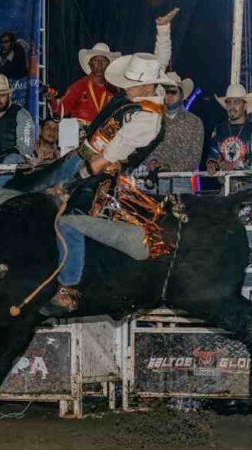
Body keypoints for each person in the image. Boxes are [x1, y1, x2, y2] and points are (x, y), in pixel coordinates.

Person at [44, 52, 174, 315]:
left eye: (133, 84)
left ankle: (69, 288)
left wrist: (68, 185)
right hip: (89, 161)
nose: (126, 88)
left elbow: (104, 161)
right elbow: (159, 57)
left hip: (101, 178)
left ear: (149, 86)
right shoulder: (139, 99)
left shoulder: (148, 119)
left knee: (68, 223)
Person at [46, 8, 177, 124]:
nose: (99, 64)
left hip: (109, 137)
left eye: (103, 61)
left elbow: (157, 66)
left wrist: (163, 31)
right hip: (80, 138)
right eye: (95, 61)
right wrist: (52, 100)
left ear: (109, 64)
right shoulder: (79, 87)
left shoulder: (120, 87)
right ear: (89, 64)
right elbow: (60, 110)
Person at [144, 72, 204, 194]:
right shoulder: (151, 119)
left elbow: (195, 158)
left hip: (181, 182)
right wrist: (150, 161)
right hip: (153, 182)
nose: (169, 96)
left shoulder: (194, 122)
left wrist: (169, 168)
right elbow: (143, 147)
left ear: (181, 95)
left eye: (173, 92)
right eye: (166, 92)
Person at [205, 83, 252, 191]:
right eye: (229, 102)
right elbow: (213, 152)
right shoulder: (219, 129)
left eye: (236, 102)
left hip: (250, 190)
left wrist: (236, 165)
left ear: (244, 105)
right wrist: (212, 163)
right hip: (225, 188)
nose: (232, 107)